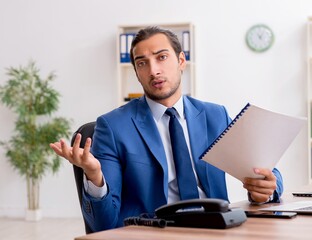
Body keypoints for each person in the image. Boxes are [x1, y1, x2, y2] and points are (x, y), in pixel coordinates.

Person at [50, 26, 283, 232]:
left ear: (181, 61)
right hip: (154, 232)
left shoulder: (214, 115)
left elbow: (266, 170)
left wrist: (264, 189)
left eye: (162, 57)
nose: (153, 70)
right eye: (142, 63)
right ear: (137, 72)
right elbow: (103, 225)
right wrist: (94, 176)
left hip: (216, 230)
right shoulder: (112, 126)